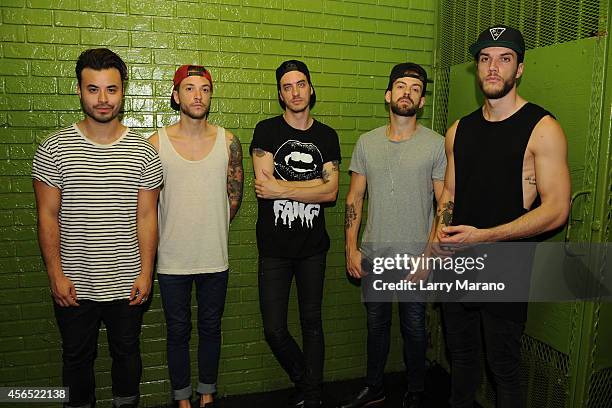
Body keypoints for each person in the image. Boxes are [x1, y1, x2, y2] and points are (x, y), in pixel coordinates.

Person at [433, 25, 571, 408]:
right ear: (477, 68)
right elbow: (449, 194)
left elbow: (558, 209)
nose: (493, 67)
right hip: (456, 262)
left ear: (520, 68)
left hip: (505, 266)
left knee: (503, 368)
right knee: (460, 361)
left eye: (504, 58)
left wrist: (485, 236)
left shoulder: (542, 129)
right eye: (485, 59)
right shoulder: (458, 130)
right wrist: (433, 247)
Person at [32, 48, 163, 408]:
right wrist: (56, 275)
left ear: (123, 91)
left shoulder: (144, 152)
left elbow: (147, 217)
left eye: (111, 89)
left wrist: (146, 272)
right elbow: (47, 215)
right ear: (78, 90)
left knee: (127, 355)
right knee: (76, 359)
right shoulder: (54, 148)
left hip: (127, 281)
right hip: (74, 283)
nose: (103, 99)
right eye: (93, 89)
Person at [340, 63, 446, 408]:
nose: (407, 92)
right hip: (375, 253)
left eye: (415, 88)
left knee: (414, 328)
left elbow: (445, 203)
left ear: (422, 100)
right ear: (388, 95)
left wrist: (429, 256)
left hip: (416, 255)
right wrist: (351, 249)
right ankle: (375, 387)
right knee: (377, 325)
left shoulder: (437, 145)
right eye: (400, 86)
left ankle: (415, 390)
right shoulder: (367, 143)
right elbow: (354, 197)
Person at [148, 65, 243, 408]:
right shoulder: (156, 144)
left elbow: (234, 196)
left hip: (213, 256)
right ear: (176, 96)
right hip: (172, 259)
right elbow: (148, 204)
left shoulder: (228, 142)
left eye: (204, 89)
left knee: (210, 328)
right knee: (177, 331)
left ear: (210, 96)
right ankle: (181, 397)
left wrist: (208, 225)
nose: (197, 95)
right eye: (189, 88)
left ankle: (207, 391)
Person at [249, 60, 341, 408]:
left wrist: (282, 189)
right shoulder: (266, 131)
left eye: (301, 84)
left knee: (312, 323)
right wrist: (314, 184)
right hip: (274, 248)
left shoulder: (327, 136)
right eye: (287, 86)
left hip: (313, 248)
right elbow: (263, 186)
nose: (295, 91)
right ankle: (307, 382)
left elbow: (331, 194)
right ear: (280, 94)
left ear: (311, 88)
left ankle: (313, 397)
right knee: (274, 329)